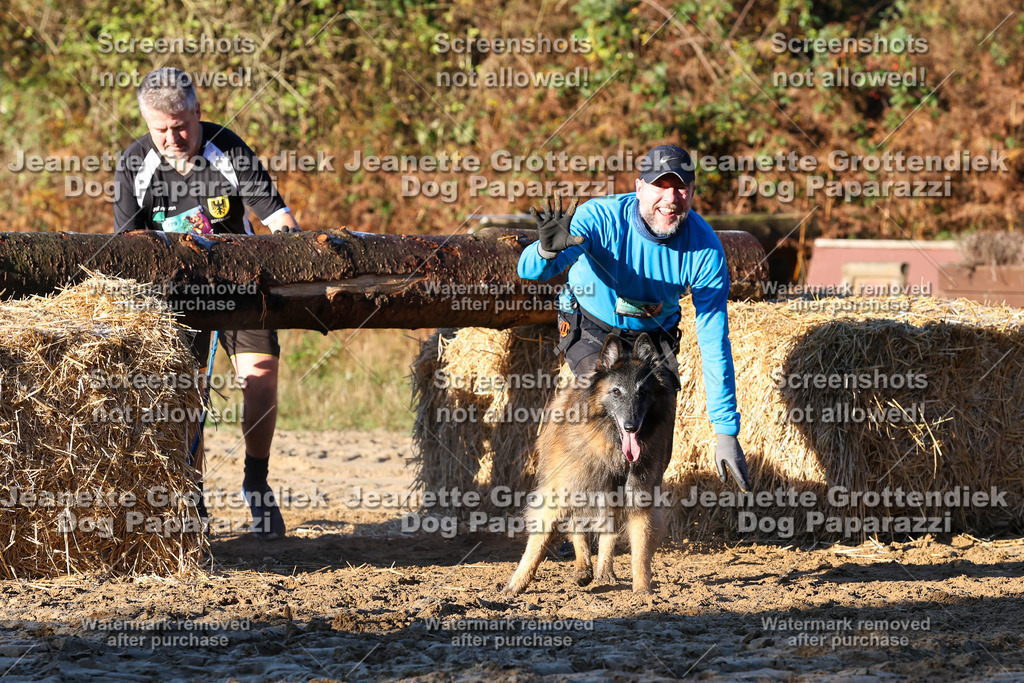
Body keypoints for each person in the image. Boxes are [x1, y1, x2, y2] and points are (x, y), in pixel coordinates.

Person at [113, 67, 301, 539]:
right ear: (146, 123)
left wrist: (290, 243)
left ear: (198, 112)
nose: (173, 138)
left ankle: (256, 482)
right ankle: (190, 489)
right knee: (187, 396)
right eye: (161, 130)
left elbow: (278, 216)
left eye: (182, 126)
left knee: (260, 381)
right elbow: (127, 248)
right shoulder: (135, 163)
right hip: (175, 296)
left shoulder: (227, 147)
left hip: (242, 287)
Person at [517, 144, 751, 491]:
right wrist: (544, 251)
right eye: (661, 185)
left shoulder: (705, 249)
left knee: (658, 412)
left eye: (681, 187)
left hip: (654, 332)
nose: (671, 198)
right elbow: (531, 271)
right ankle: (583, 516)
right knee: (603, 400)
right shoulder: (599, 219)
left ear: (693, 191)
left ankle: (641, 510)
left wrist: (726, 432)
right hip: (592, 320)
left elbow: (714, 341)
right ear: (640, 187)